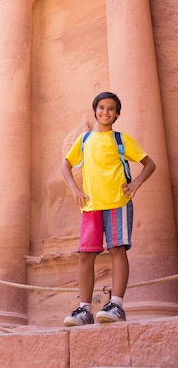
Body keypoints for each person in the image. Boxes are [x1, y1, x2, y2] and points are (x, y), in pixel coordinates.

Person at [61, 91, 156, 326]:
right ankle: (84, 309)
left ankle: (117, 305)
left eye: (111, 109)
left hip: (117, 202)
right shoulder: (84, 140)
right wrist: (75, 189)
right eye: (101, 107)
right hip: (90, 206)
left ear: (117, 114)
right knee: (86, 255)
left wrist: (135, 184)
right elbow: (66, 164)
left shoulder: (121, 139)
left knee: (117, 250)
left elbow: (149, 164)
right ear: (95, 110)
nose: (105, 112)